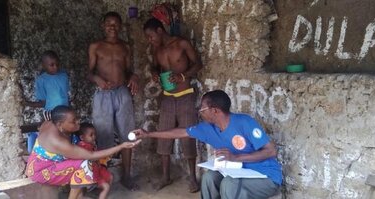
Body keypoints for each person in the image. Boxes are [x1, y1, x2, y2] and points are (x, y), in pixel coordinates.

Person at [134, 90, 282, 199]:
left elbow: (271, 151)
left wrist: (236, 157)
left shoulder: (244, 122)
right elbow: (180, 132)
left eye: (202, 109)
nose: (199, 112)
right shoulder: (207, 128)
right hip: (236, 172)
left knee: (229, 184)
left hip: (266, 177)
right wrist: (148, 134)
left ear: (215, 110)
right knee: (209, 177)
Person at [25, 106, 140, 199]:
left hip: (38, 162)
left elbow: (45, 121)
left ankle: (80, 195)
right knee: (85, 164)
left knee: (83, 160)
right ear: (60, 125)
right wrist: (121, 146)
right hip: (41, 171)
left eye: (77, 119)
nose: (78, 123)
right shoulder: (58, 142)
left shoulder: (51, 122)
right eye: (73, 121)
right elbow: (91, 155)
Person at [143, 17, 203, 192]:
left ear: (160, 31)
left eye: (151, 36)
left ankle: (192, 178)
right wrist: (155, 73)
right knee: (163, 136)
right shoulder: (157, 50)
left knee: (188, 136)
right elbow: (155, 66)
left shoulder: (182, 44)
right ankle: (165, 177)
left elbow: (198, 63)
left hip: (185, 96)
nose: (150, 40)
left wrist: (183, 76)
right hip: (167, 97)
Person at [87, 11, 139, 190]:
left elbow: (129, 70)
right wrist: (97, 79)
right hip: (103, 94)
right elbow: (89, 72)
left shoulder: (125, 47)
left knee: (128, 134)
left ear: (120, 27)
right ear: (103, 26)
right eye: (109, 23)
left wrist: (133, 77)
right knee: (103, 136)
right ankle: (102, 178)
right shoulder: (96, 46)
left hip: (122, 92)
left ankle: (126, 175)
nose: (112, 27)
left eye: (116, 24)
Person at [25, 50, 73, 152]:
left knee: (67, 134)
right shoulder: (41, 80)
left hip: (65, 111)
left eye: (57, 64)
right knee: (52, 135)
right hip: (50, 112)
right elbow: (43, 102)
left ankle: (66, 156)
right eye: (51, 65)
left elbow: (65, 95)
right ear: (44, 65)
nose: (55, 67)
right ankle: (51, 156)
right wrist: (27, 103)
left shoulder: (64, 76)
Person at [76, 123, 112, 199]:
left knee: (110, 177)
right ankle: (102, 195)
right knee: (106, 187)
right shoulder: (82, 147)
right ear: (82, 137)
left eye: (94, 134)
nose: (94, 137)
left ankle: (100, 194)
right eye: (91, 135)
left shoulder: (90, 144)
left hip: (96, 170)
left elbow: (96, 153)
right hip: (90, 174)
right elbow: (92, 156)